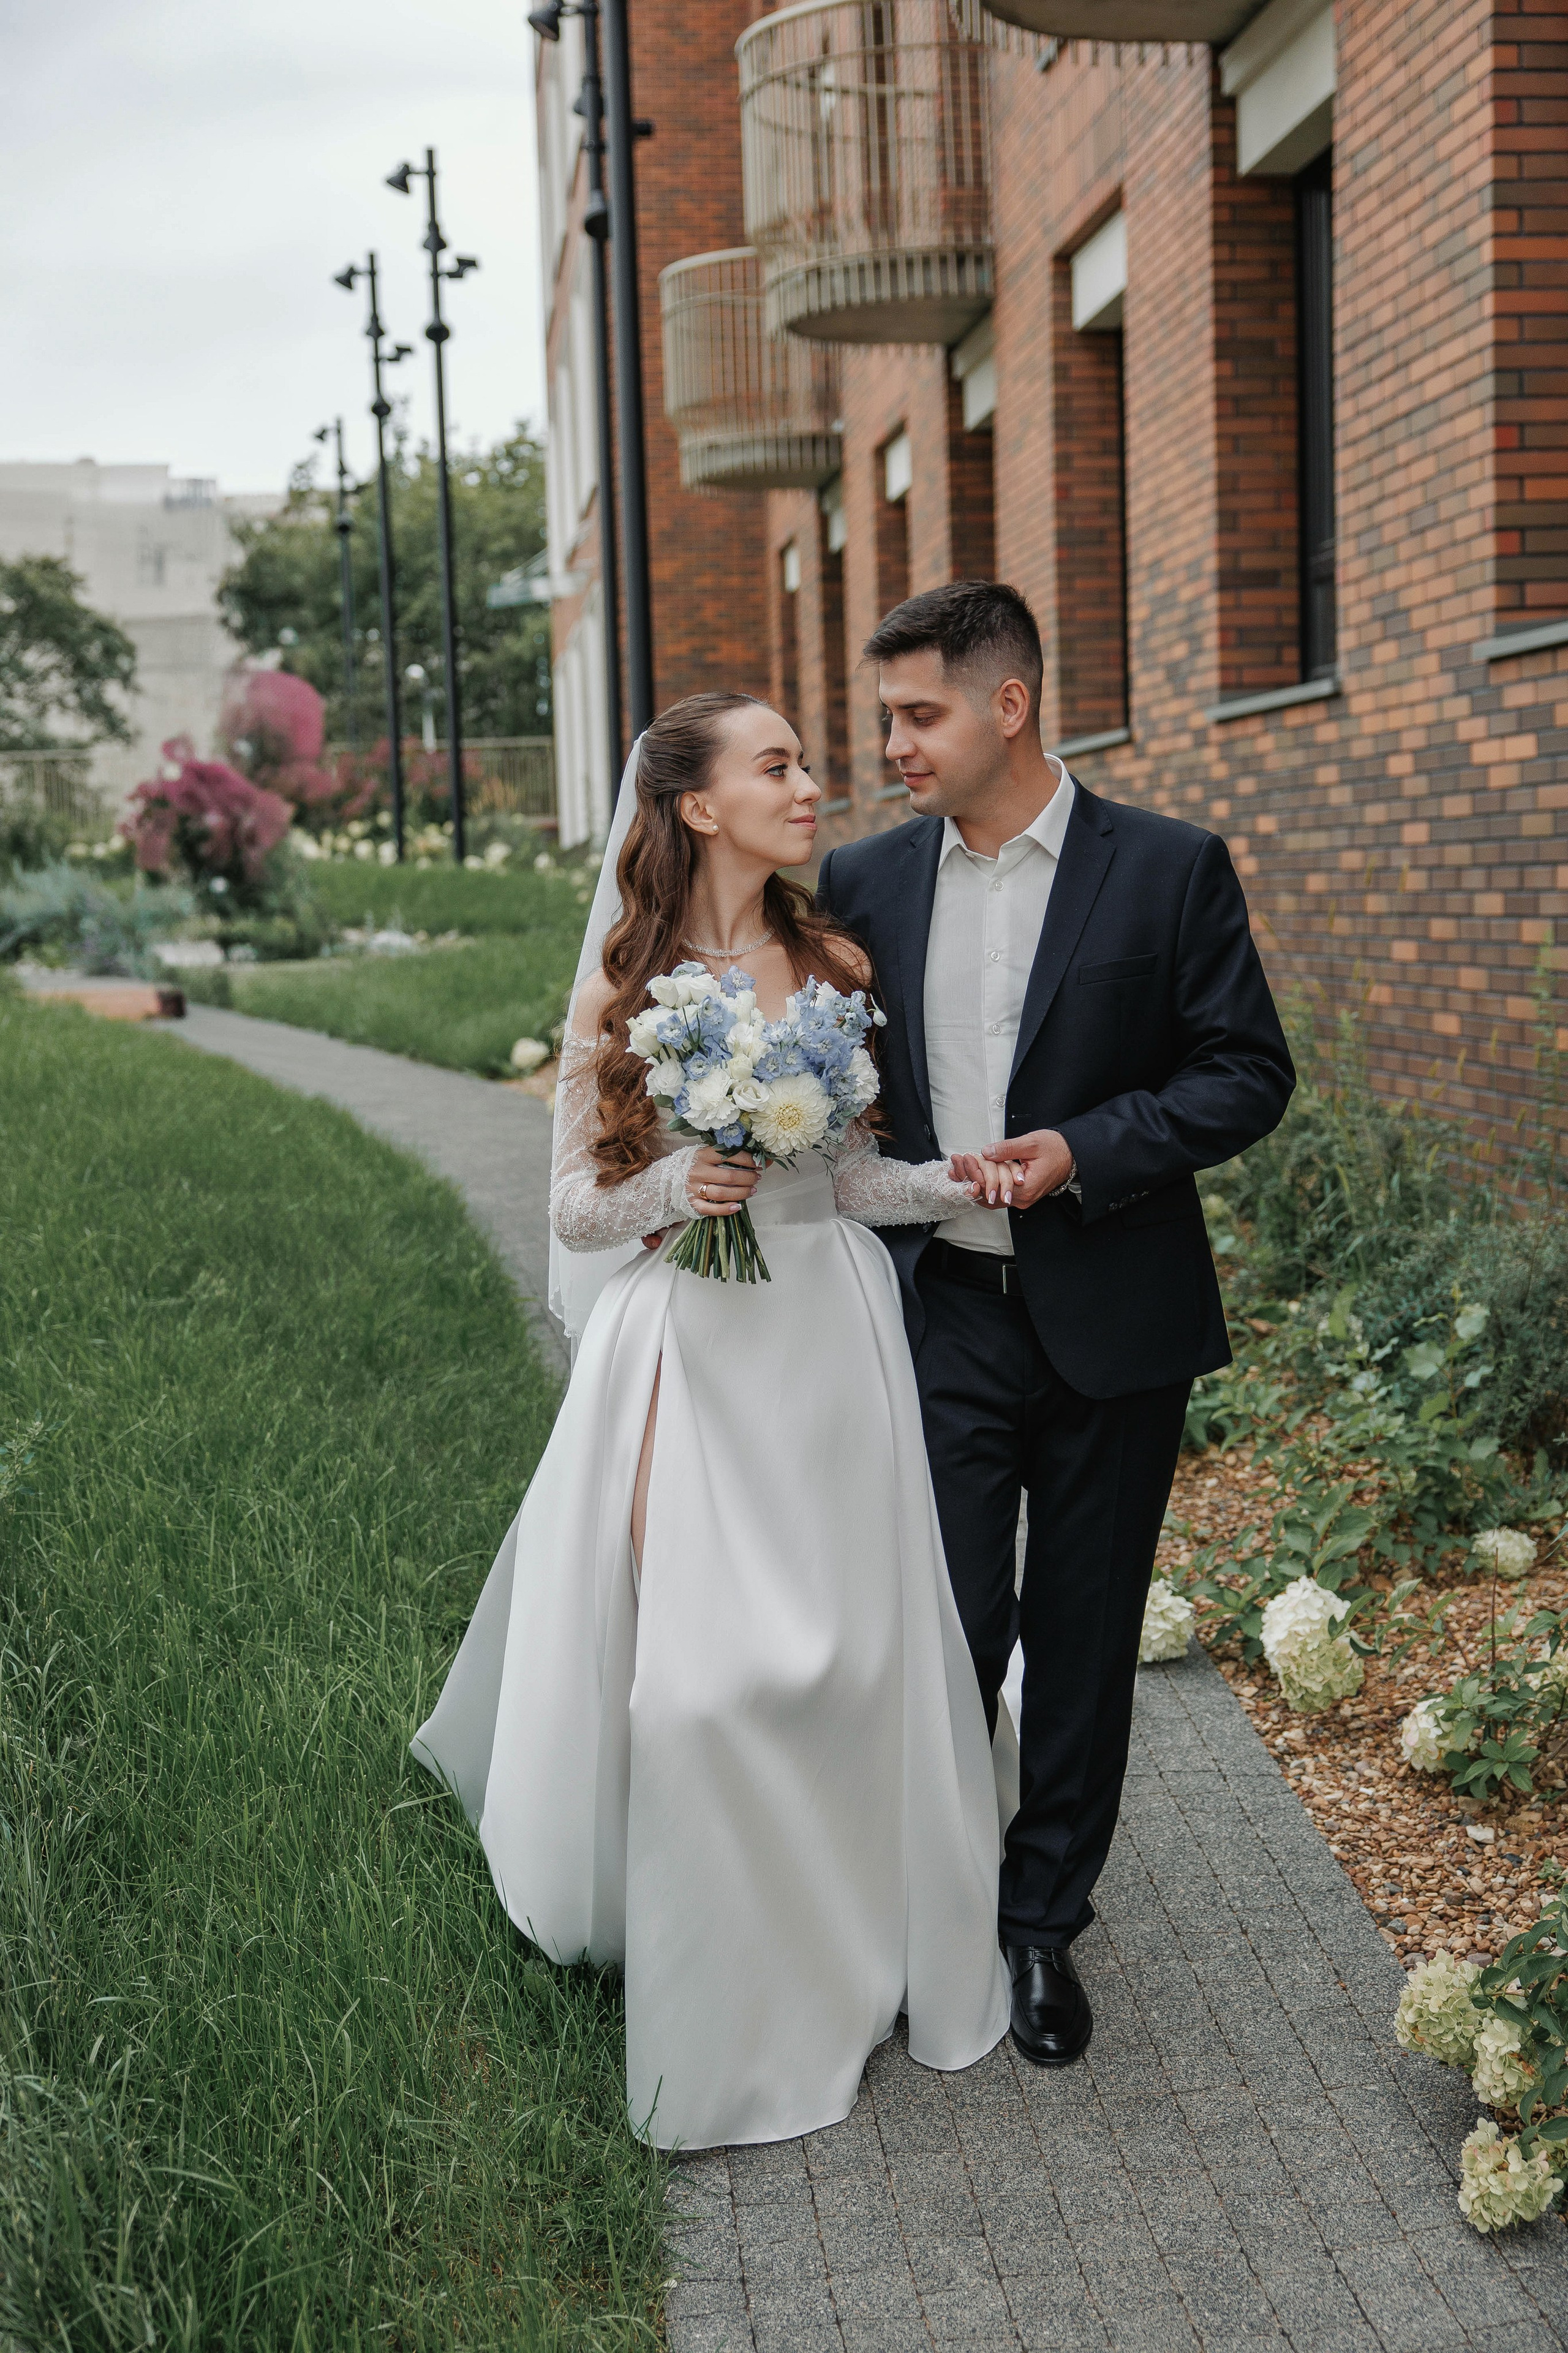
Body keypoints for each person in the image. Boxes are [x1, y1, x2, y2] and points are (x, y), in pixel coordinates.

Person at [412, 690, 1012, 2152]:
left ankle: (856, 1937)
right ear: (694, 804)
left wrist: (967, 1179)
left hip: (828, 1338)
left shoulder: (830, 961)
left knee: (852, 1659)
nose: (812, 784)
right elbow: (570, 1206)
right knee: (697, 1683)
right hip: (689, 1339)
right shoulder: (628, 987)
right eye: (778, 765)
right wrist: (676, 1187)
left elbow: (850, 1179)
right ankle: (713, 1970)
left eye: (807, 762)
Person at [818, 581, 1295, 2068]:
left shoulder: (1165, 870)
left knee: (1082, 1645)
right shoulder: (862, 881)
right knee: (946, 1628)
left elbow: (1244, 1073)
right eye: (884, 715)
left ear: (1005, 706)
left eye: (917, 714)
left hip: (1110, 1318)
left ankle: (1039, 1933)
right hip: (940, 1309)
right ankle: (937, 1910)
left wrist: (1085, 1147)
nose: (891, 741)